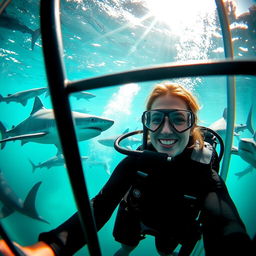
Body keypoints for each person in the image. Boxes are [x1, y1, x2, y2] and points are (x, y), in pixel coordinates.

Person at [0, 82, 253, 256]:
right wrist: (49, 248)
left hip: (174, 225)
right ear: (147, 124)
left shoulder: (202, 170)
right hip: (136, 217)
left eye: (178, 119)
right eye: (156, 119)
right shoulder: (136, 161)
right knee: (125, 245)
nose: (166, 130)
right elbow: (98, 207)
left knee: (166, 249)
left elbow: (225, 222)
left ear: (192, 124)